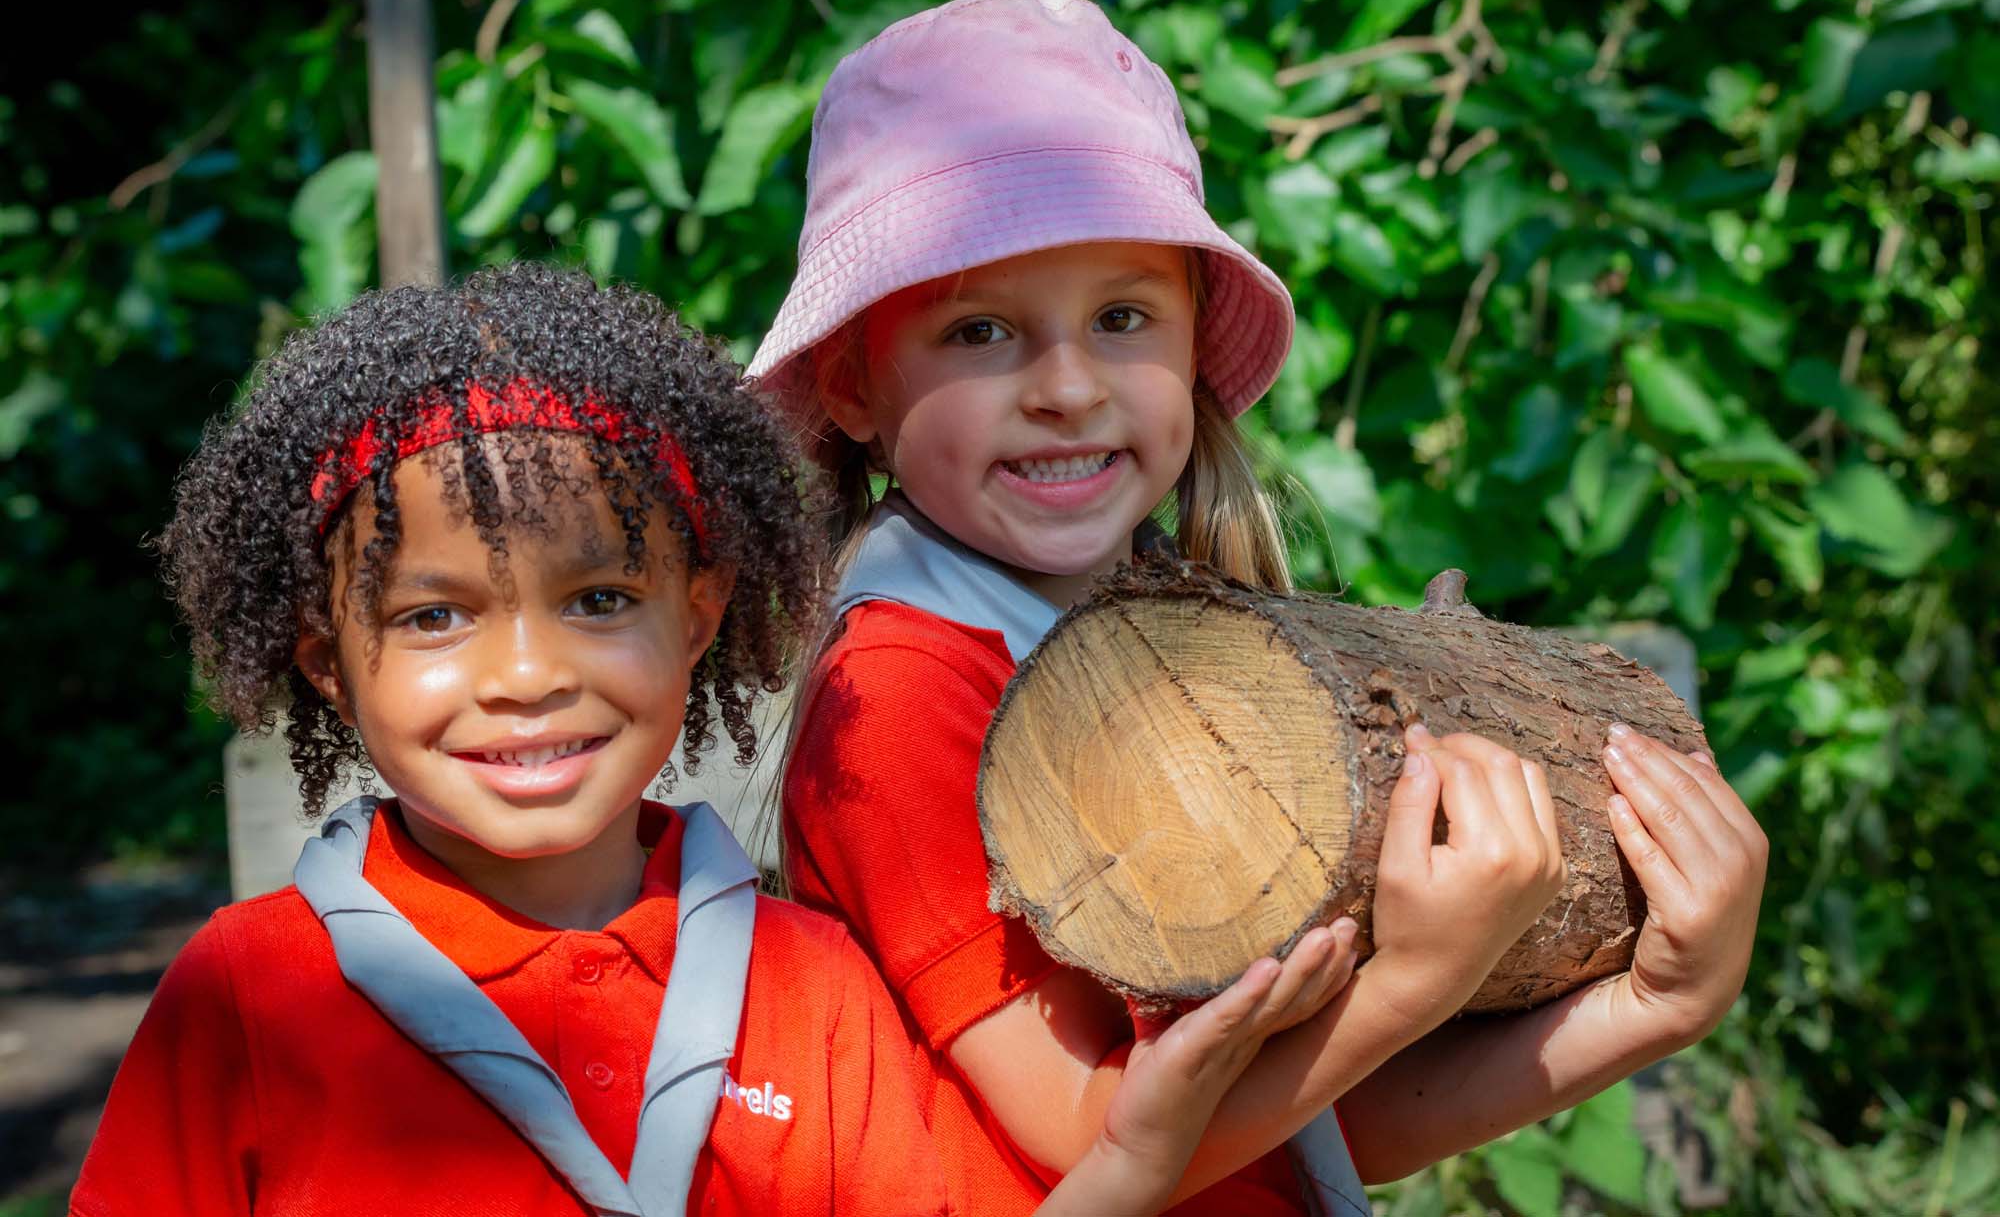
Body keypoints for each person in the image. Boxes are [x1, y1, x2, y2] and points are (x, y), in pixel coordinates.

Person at [749, 0, 1769, 1214]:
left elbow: (1310, 1126)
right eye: (978, 332)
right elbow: (1090, 1138)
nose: (1067, 386)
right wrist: (1412, 982)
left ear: (1189, 343)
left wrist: (1653, 1003)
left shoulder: (1195, 647)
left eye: (1120, 317)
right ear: (853, 387)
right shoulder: (902, 695)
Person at [70, 263, 1362, 1217]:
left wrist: (1135, 1151)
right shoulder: (245, 998)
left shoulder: (810, 990)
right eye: (433, 615)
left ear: (697, 617)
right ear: (327, 662)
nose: (526, 675)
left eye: (596, 599)